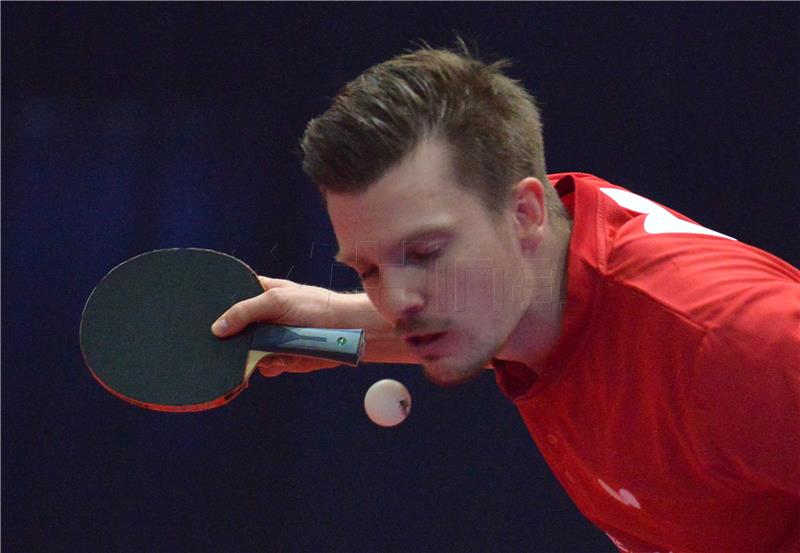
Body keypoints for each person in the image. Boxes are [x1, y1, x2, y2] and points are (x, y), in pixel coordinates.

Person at [211, 43, 800, 552]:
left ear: (525, 214)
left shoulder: (732, 344)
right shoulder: (536, 274)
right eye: (368, 269)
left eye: (425, 253)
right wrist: (330, 315)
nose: (399, 299)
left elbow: (680, 349)